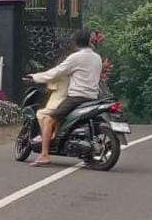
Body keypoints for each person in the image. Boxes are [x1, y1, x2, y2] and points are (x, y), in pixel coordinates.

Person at [26, 28, 104, 168]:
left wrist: (36, 77)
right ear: (89, 41)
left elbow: (56, 72)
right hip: (93, 97)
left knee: (49, 120)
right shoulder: (97, 57)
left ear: (75, 43)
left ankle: (44, 155)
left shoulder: (75, 57)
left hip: (76, 98)